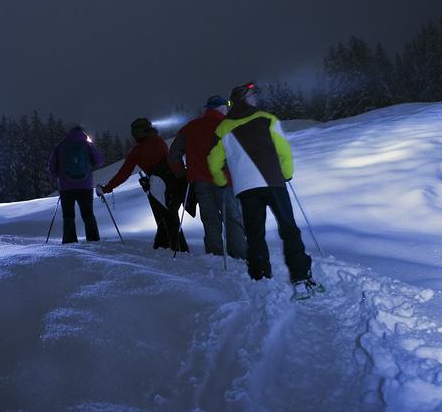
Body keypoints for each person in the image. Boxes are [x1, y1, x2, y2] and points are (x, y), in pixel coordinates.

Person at [207, 82, 318, 294]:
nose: (256, 98)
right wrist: (286, 174)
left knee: (254, 233)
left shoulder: (223, 128)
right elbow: (284, 151)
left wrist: (221, 181)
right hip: (273, 181)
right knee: (289, 229)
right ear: (246, 99)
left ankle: (260, 277)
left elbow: (213, 160)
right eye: (253, 95)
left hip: (245, 188)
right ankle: (301, 277)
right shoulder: (268, 119)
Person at [169, 95, 247, 258]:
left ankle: (214, 253)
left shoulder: (190, 127)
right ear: (220, 108)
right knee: (232, 218)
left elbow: (173, 154)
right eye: (225, 107)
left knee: (210, 219)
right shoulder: (227, 125)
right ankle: (239, 254)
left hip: (199, 182)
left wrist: (182, 172)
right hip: (224, 180)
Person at [97, 118, 188, 252]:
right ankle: (177, 248)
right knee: (172, 216)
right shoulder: (159, 141)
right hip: (174, 181)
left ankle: (170, 248)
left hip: (157, 186)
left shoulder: (137, 150)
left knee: (164, 218)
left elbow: (124, 173)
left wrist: (107, 188)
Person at [48, 125, 105, 243]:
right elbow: (99, 162)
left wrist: (57, 178)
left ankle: (69, 241)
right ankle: (93, 240)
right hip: (85, 186)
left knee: (68, 216)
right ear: (83, 132)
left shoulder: (61, 145)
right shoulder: (87, 144)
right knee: (88, 214)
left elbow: (52, 167)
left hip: (66, 187)